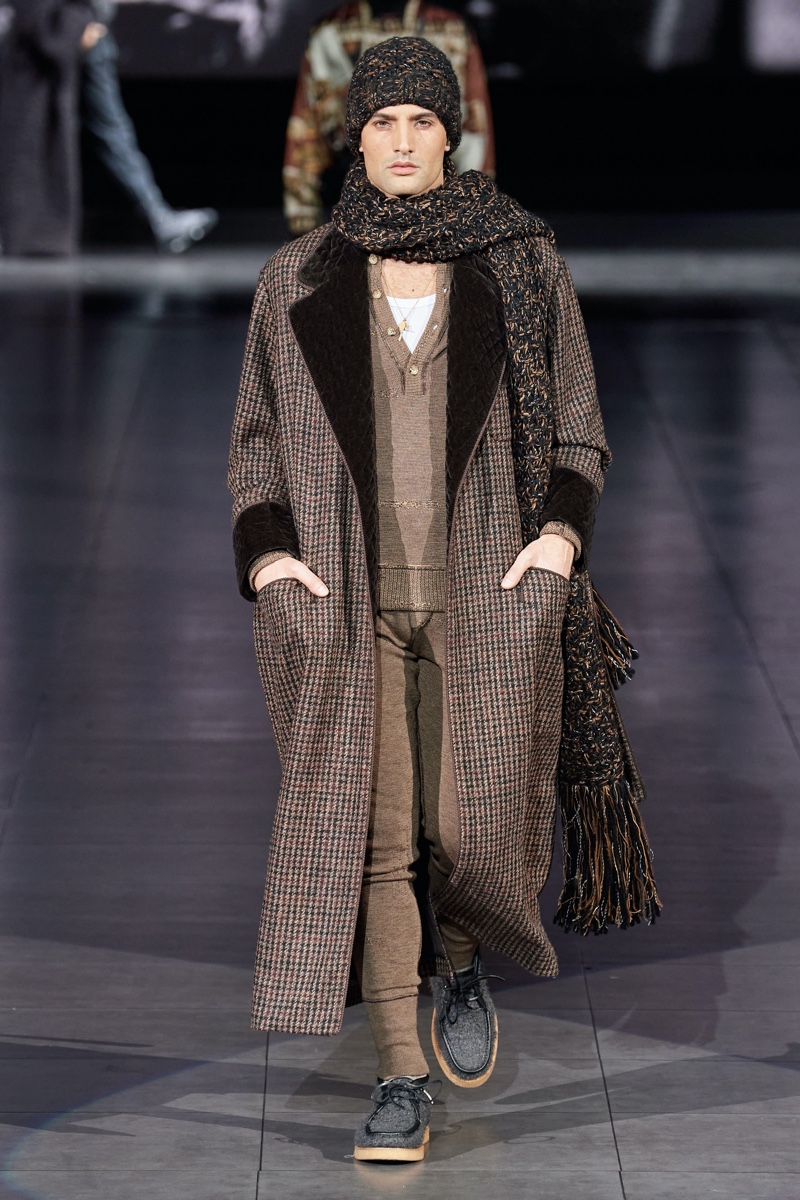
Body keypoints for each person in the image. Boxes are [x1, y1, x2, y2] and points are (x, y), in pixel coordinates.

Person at [229, 35, 655, 1164]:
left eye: (423, 120)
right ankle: (397, 1076)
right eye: (383, 122)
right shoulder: (297, 280)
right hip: (347, 603)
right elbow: (256, 444)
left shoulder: (520, 264)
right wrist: (270, 562)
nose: (404, 141)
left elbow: (577, 428)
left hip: (487, 597)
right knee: (375, 840)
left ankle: (459, 948)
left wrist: (557, 539)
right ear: (355, 137)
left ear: (450, 133)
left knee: (464, 829)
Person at [0, 0, 217, 256]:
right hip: (48, 25)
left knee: (110, 130)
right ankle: (159, 217)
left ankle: (158, 217)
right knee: (28, 128)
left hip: (71, 24)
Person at [283, 0, 494, 235]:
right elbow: (308, 126)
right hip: (352, 195)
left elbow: (474, 125)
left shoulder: (452, 30)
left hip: (439, 202)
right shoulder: (330, 32)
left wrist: (477, 213)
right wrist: (302, 215)